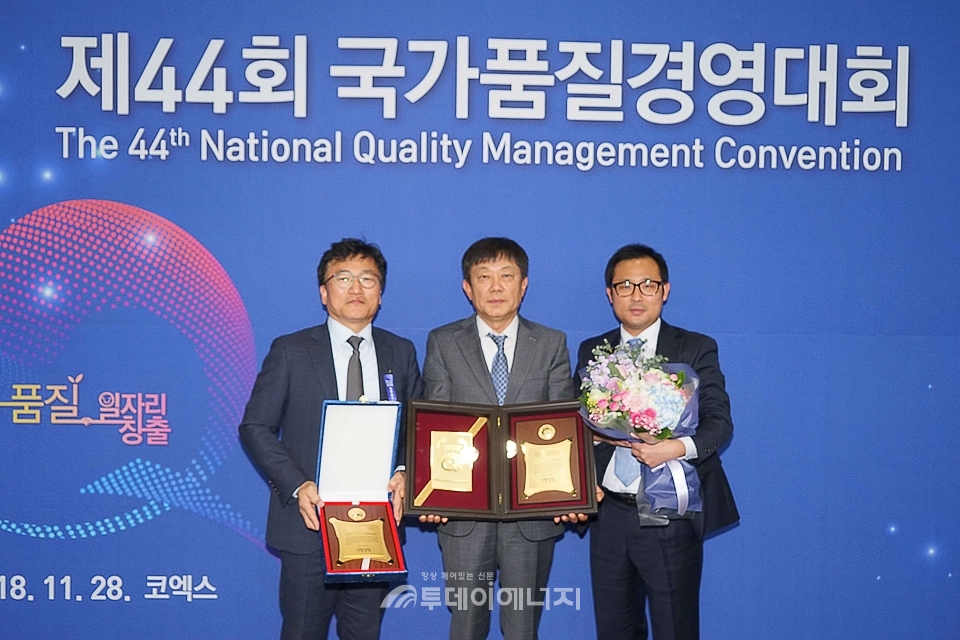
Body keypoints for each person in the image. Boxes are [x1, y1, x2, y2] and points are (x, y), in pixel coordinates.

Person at [239, 238, 422, 640]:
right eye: (343, 278)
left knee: (364, 633)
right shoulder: (291, 350)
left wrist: (405, 470)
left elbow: (416, 428)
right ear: (324, 292)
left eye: (367, 279)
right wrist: (297, 484)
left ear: (380, 293)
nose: (356, 288)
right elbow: (255, 426)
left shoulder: (400, 352)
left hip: (375, 529)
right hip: (309, 524)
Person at [576, 244, 739, 640]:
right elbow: (575, 426)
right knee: (614, 630)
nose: (636, 295)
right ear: (610, 294)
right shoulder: (592, 350)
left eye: (647, 284)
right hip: (609, 515)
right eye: (625, 286)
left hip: (670, 513)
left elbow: (719, 423)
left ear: (665, 290)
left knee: (675, 629)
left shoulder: (695, 347)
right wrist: (583, 470)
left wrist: (674, 449)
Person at [420, 237, 579, 640]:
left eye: (506, 276)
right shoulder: (443, 342)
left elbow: (562, 426)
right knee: (466, 626)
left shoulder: (552, 343)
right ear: (467, 287)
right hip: (464, 516)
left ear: (523, 285)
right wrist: (433, 495)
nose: (495, 287)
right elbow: (435, 424)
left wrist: (570, 493)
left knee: (523, 629)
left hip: (531, 517)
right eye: (484, 277)